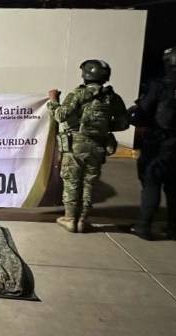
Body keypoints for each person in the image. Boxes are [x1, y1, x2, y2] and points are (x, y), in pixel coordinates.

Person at [128, 46, 176, 240]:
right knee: (174, 185)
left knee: (151, 182)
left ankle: (144, 226)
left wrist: (133, 115)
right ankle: (172, 227)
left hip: (158, 143)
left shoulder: (160, 86)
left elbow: (142, 113)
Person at [48, 59, 129, 233]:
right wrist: (103, 127)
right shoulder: (112, 98)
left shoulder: (78, 94)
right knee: (89, 182)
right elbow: (123, 123)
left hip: (75, 145)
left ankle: (70, 219)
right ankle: (83, 220)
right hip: (98, 145)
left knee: (72, 181)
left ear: (85, 75)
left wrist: (53, 99)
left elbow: (60, 115)